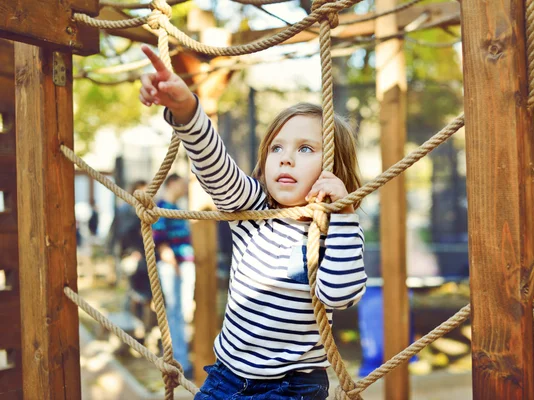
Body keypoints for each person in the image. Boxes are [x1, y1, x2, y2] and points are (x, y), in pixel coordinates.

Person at [139, 45, 367, 399]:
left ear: (335, 170)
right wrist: (186, 110)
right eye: (277, 148)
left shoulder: (335, 232)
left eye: (306, 148)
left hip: (294, 387)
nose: (287, 158)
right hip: (227, 377)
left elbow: (339, 295)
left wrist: (344, 215)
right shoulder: (252, 211)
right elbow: (215, 169)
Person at [152, 173, 196, 378]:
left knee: (181, 311)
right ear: (172, 183)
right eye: (181, 184)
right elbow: (160, 243)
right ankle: (179, 359)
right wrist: (175, 266)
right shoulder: (162, 207)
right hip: (173, 267)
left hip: (181, 265)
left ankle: (180, 355)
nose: (184, 188)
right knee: (175, 312)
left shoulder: (177, 208)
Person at [107, 180, 153, 318]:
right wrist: (132, 252)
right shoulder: (127, 211)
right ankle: (134, 322)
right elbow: (121, 234)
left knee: (142, 291)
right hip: (133, 255)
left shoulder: (138, 210)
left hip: (141, 255)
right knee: (136, 291)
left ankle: (141, 323)